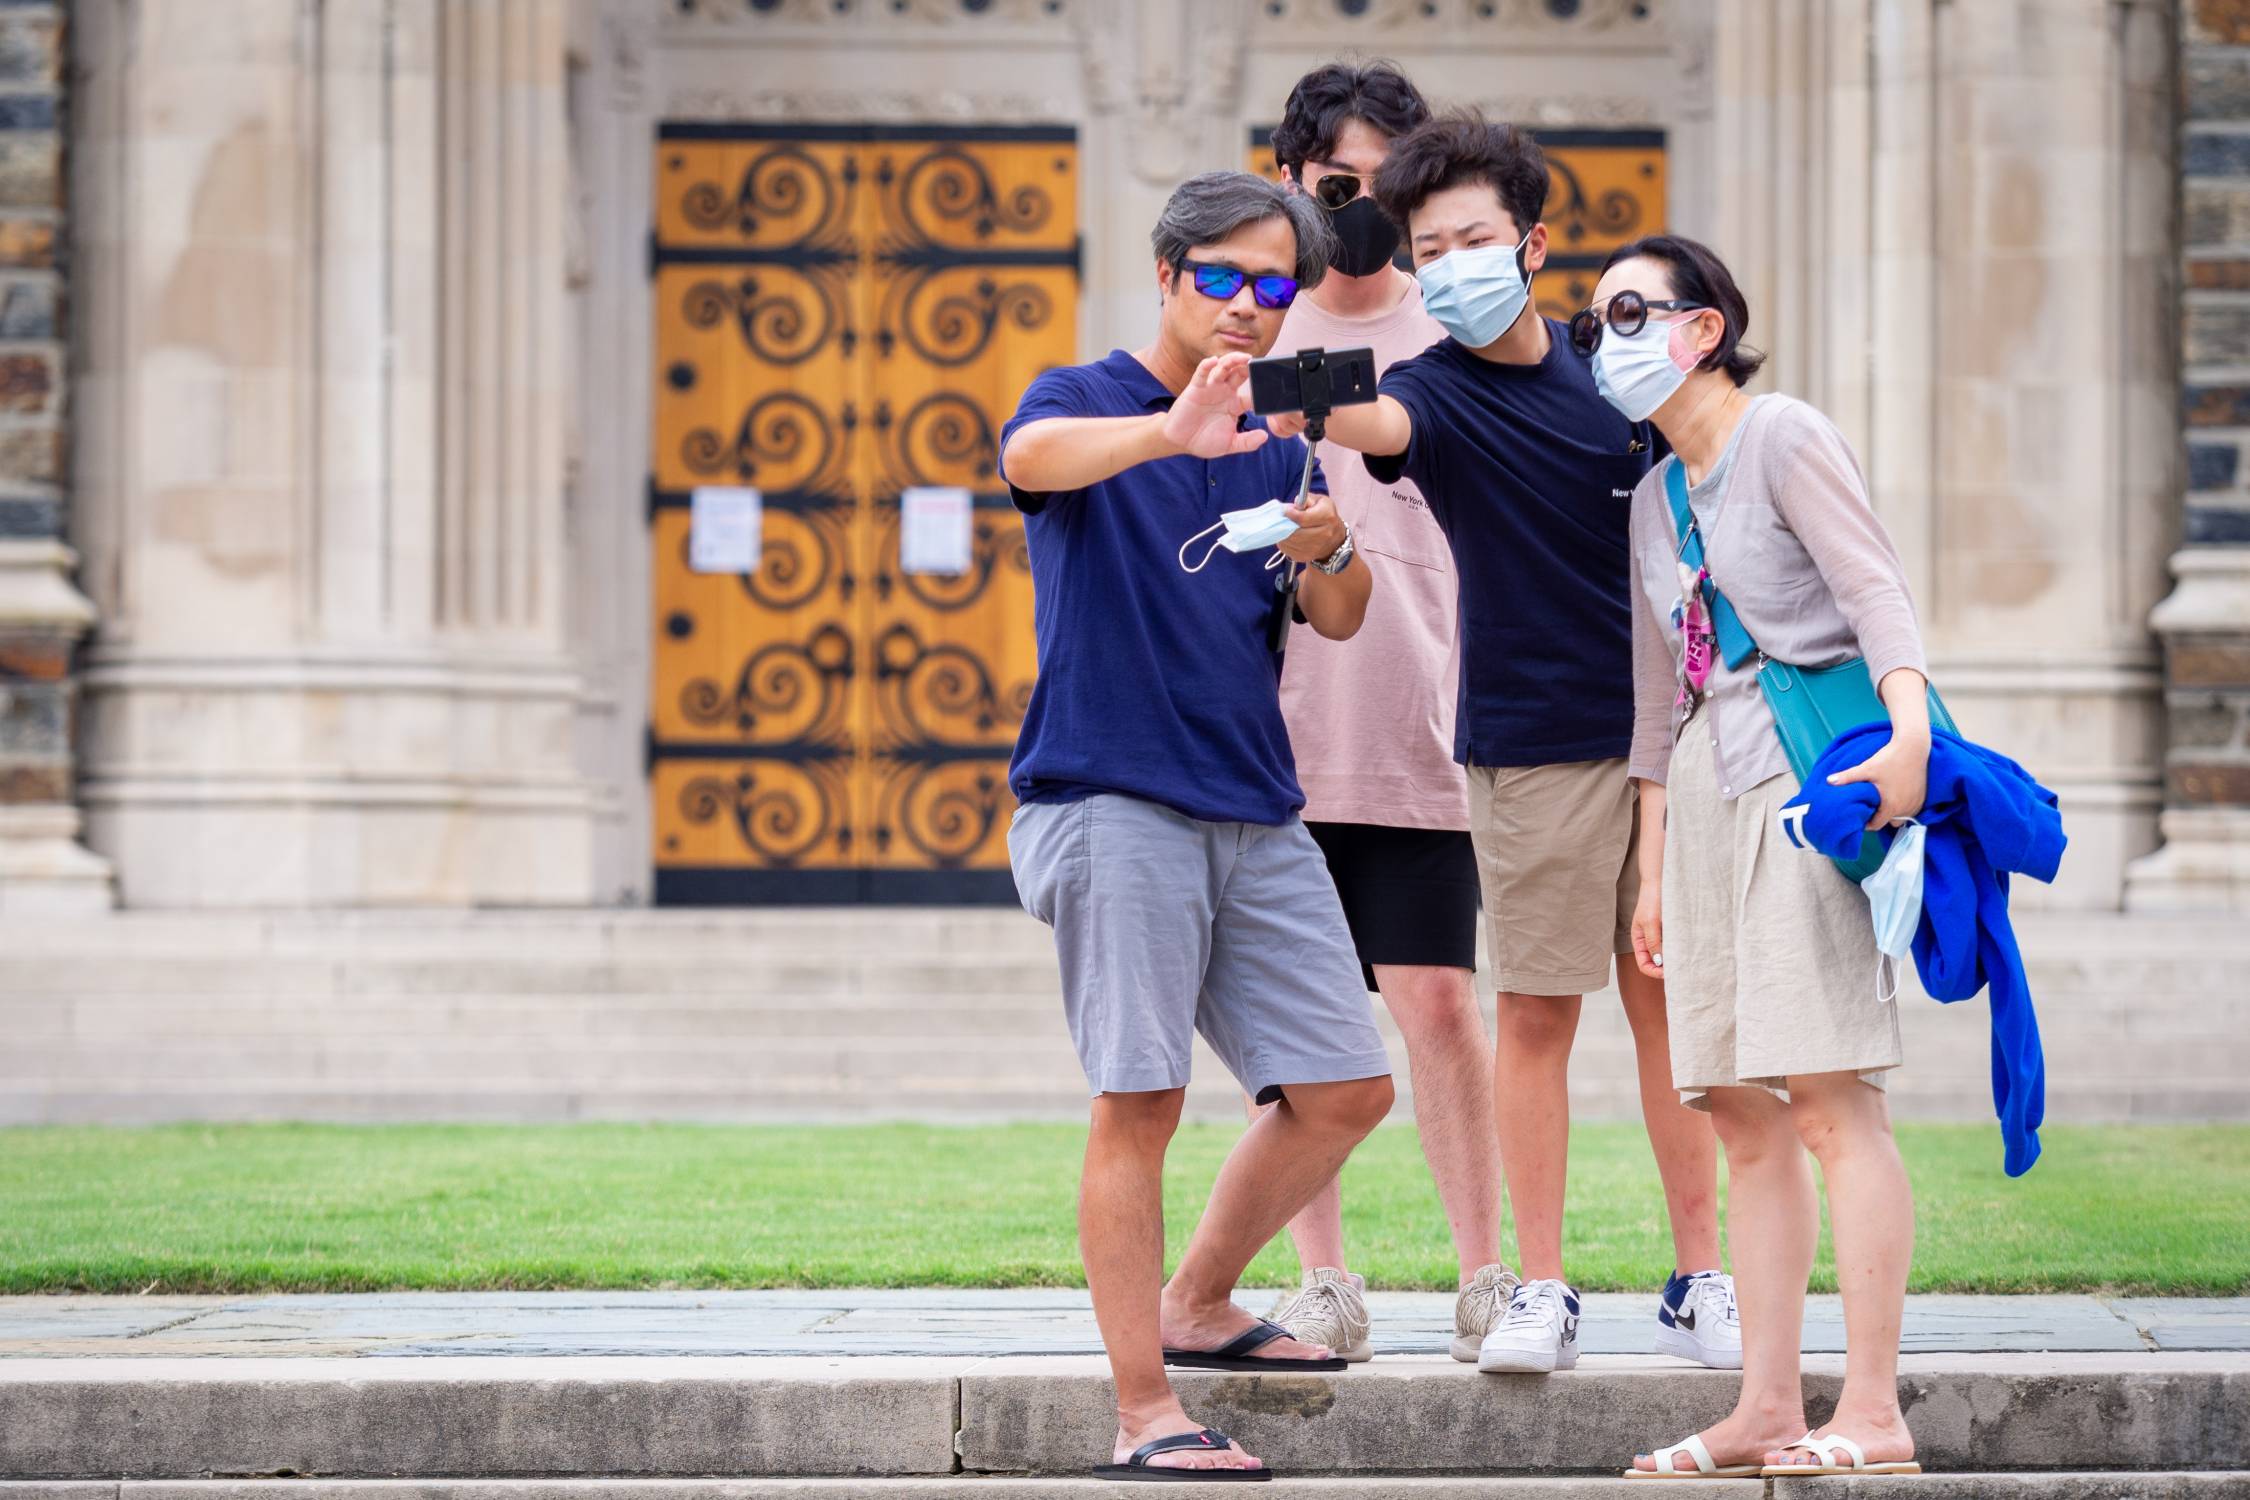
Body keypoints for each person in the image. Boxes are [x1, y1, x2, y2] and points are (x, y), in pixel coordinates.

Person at [1267, 111, 1737, 1375]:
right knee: (1534, 1017)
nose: (1455, 261)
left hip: (1674, 747)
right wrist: (1269, 381)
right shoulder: (1431, 394)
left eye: (1477, 237)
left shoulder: (1617, 368)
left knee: (1671, 1016)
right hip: (1526, 751)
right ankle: (1538, 1287)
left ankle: (1703, 1277)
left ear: (1531, 244)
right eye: (1431, 248)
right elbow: (1366, 423)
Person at [999, 170, 1396, 1484]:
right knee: (1140, 1098)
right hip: (1111, 799)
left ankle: (1200, 1300)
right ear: (1166, 274)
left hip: (1254, 805)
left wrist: (1333, 544)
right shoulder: (1083, 400)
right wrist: (1169, 435)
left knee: (1345, 1087)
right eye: (1218, 277)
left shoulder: (1285, 441)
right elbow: (1027, 461)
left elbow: (1334, 617)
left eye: (1269, 285)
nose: (1243, 304)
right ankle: (1143, 1410)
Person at [1583, 234, 1925, 1479]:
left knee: (1831, 1102)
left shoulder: (1782, 434)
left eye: (1630, 312)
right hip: (1709, 804)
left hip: (1807, 784)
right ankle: (1768, 1407)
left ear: (1703, 328)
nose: (1606, 337)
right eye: (1593, 322)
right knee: (1738, 1114)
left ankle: (1874, 1411)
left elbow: (1877, 590)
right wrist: (1651, 867)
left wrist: (1913, 736)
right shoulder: (1652, 497)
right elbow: (1653, 697)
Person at [1248, 59, 1519, 1368]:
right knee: (1306, 1030)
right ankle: (1324, 1286)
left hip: (1425, 726)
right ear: (1291, 184)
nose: (1357, 207)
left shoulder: (1464, 333)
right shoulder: (1250, 339)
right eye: (1334, 184)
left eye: (1380, 185)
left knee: (1437, 1004)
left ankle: (1485, 1277)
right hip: (1272, 743)